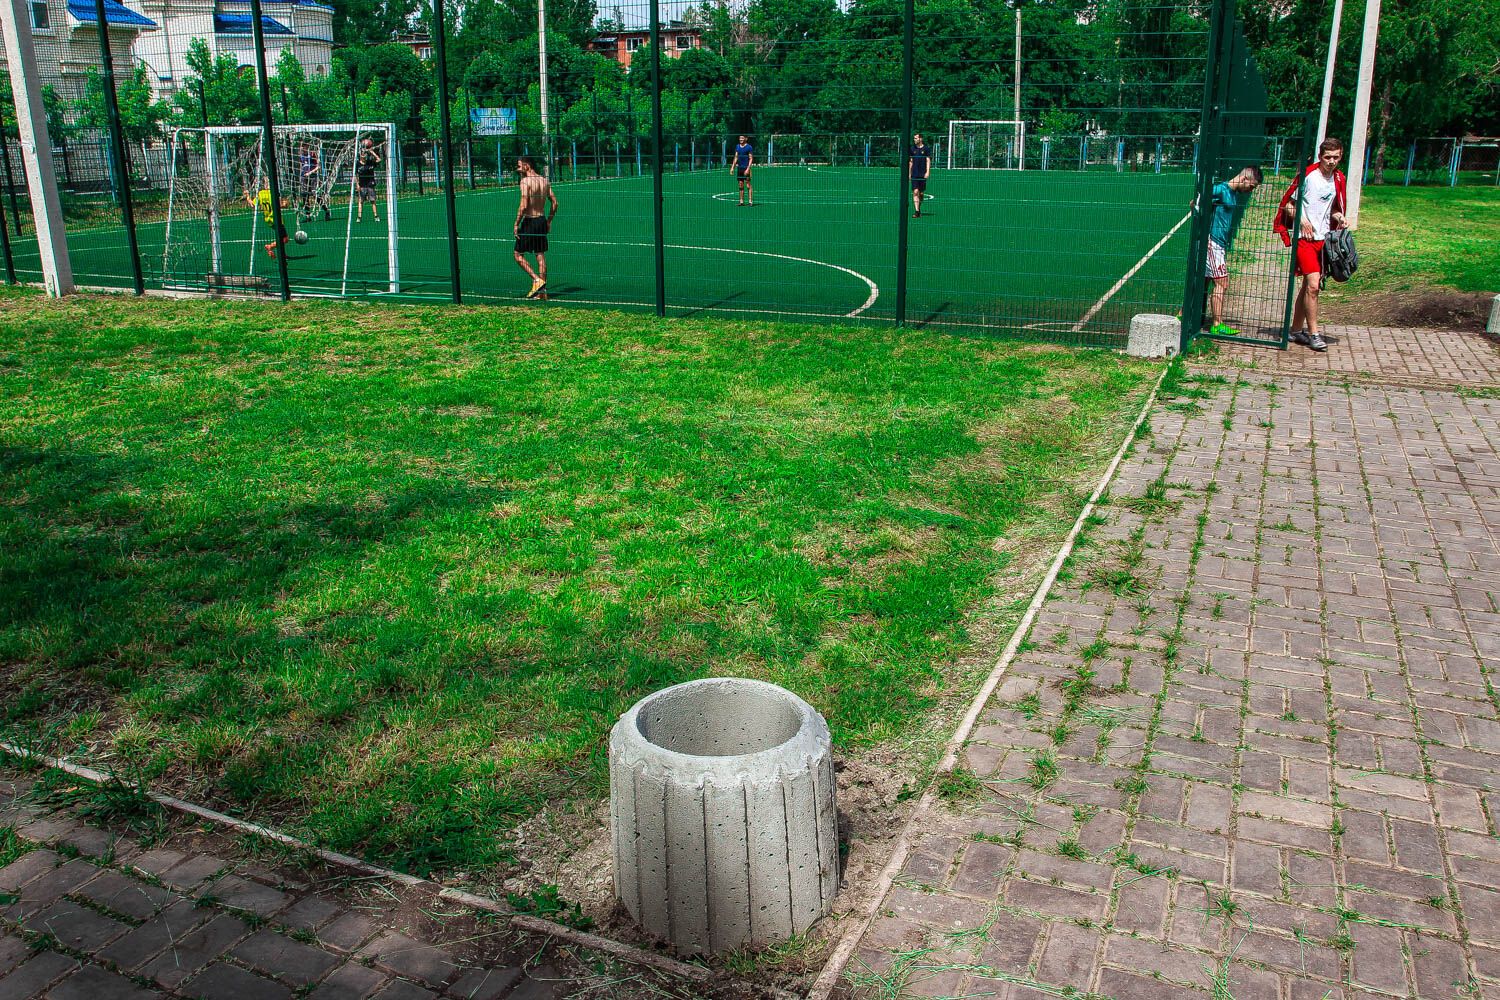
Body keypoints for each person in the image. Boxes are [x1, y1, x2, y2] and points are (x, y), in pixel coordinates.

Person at [1274, 137, 1347, 352]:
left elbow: (1332, 209)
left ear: (1341, 156)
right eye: (1327, 157)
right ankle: (1314, 334)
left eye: (1335, 157)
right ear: (1320, 157)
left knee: (1309, 287)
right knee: (1314, 285)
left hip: (1324, 240)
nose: (1331, 161)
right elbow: (1288, 205)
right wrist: (1302, 220)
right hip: (1304, 240)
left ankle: (1296, 330)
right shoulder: (1308, 177)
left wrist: (1340, 217)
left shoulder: (1338, 179)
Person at [1203, 164, 1263, 336]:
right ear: (1245, 179)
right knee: (1222, 282)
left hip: (1219, 243)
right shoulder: (1221, 190)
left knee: (1204, 281)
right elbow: (1199, 199)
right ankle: (1217, 324)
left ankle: (1183, 315)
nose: (1250, 190)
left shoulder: (1233, 193)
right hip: (1212, 243)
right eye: (1251, 186)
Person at [513, 155, 558, 300]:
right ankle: (543, 293)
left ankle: (536, 280)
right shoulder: (544, 181)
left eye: (519, 166)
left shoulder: (525, 181)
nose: (518, 168)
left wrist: (516, 223)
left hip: (530, 221)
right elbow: (555, 203)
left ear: (527, 165)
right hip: (541, 221)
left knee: (518, 255)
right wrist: (549, 221)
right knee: (540, 255)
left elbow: (524, 205)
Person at [245, 183, 289, 259]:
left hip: (268, 219)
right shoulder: (273, 193)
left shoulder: (261, 194)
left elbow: (252, 205)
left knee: (280, 236)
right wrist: (285, 203)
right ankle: (270, 246)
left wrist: (248, 196)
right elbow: (281, 205)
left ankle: (282, 254)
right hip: (276, 219)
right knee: (285, 239)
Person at [355, 138, 381, 223]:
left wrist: (371, 151)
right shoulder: (358, 164)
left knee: (372, 201)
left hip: (370, 184)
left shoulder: (370, 162)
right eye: (362, 155)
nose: (364, 156)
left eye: (365, 155)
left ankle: (376, 216)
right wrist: (357, 184)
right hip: (362, 185)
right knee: (361, 201)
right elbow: (356, 175)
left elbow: (379, 160)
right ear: (360, 156)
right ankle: (359, 217)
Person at [908, 133, 931, 217]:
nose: (915, 140)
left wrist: (927, 172)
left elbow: (928, 160)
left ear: (921, 139)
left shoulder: (926, 149)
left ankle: (919, 208)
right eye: (914, 138)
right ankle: (917, 211)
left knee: (921, 193)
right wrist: (909, 173)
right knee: (915, 191)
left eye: (916, 138)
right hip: (914, 173)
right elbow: (911, 161)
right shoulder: (912, 149)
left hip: (922, 173)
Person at [732, 135, 754, 206]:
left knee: (748, 185)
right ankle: (741, 201)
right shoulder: (737, 146)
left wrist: (748, 169)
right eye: (740, 138)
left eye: (742, 138)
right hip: (740, 168)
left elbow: (751, 158)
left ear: (746, 139)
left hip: (746, 168)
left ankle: (750, 201)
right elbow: (736, 157)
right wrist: (732, 167)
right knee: (740, 184)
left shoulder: (749, 147)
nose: (740, 139)